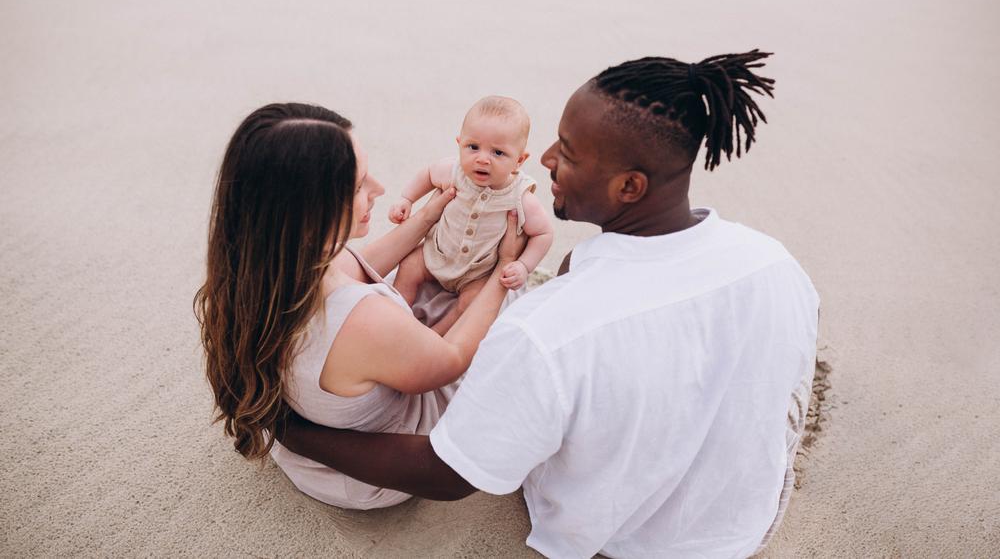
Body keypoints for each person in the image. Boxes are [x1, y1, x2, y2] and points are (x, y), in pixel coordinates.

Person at [276, 52, 820, 558]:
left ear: (630, 186)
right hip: (745, 520)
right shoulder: (776, 263)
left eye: (569, 152)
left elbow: (448, 473)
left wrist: (293, 431)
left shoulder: (548, 330)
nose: (548, 160)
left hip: (629, 541)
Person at [194, 103, 525, 510]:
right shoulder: (359, 318)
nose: (380, 188)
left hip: (336, 403)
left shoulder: (266, 266)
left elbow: (361, 262)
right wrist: (504, 268)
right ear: (310, 212)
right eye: (357, 185)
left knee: (435, 277)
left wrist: (425, 219)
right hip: (382, 460)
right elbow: (452, 359)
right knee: (511, 304)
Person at [389, 95, 554, 334]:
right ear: (460, 144)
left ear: (519, 160)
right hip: (436, 254)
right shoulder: (453, 171)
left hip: (477, 273)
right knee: (408, 266)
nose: (483, 158)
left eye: (498, 153)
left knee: (471, 304)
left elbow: (544, 233)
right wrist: (407, 199)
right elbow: (427, 174)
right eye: (473, 147)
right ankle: (395, 317)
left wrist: (523, 266)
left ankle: (434, 336)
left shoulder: (520, 196)